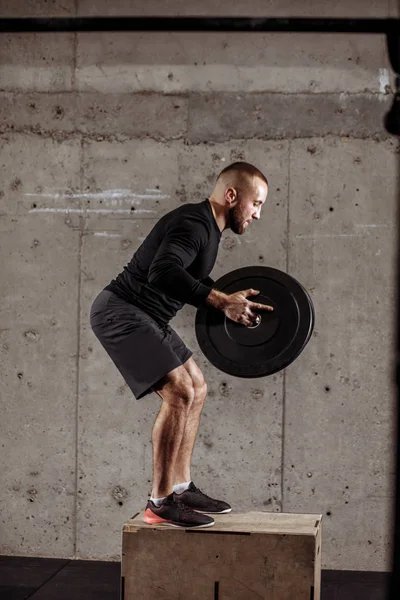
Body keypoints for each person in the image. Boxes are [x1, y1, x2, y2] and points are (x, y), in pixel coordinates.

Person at [90, 161, 272, 529]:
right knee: (179, 392)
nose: (258, 213)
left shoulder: (209, 228)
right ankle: (159, 502)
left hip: (147, 315)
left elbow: (190, 280)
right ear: (232, 195)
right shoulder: (194, 224)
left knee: (197, 386)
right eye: (256, 203)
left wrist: (231, 305)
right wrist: (221, 301)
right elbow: (164, 272)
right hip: (122, 311)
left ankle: (181, 487)